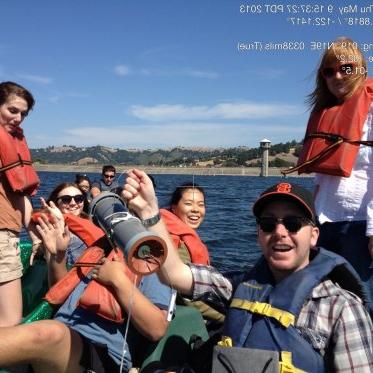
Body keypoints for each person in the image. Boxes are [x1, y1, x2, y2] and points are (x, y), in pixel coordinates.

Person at [122, 169, 373, 372]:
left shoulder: (342, 308)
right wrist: (148, 212)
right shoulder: (238, 287)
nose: (280, 232)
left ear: (314, 235)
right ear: (258, 235)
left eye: (294, 223)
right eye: (267, 224)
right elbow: (174, 274)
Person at [0, 186, 173, 372]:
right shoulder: (97, 249)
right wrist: (58, 255)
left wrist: (118, 280)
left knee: (50, 334)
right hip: (62, 341)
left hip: (100, 355)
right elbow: (61, 296)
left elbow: (157, 328)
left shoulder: (151, 260)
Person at [291, 37, 373, 313]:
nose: (337, 75)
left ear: (360, 69)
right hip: (326, 221)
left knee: (361, 300)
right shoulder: (325, 113)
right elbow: (322, 178)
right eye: (329, 70)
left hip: (359, 224)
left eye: (345, 68)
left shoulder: (370, 111)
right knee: (323, 297)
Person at [0, 81, 40, 326]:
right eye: (12, 110)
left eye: (23, 114)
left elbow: (19, 195)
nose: (18, 119)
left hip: (9, 234)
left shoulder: (11, 144)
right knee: (10, 320)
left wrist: (34, 234)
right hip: (1, 236)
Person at [161, 182, 210, 265]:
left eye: (201, 205)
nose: (196, 209)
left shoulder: (161, 226)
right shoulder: (173, 241)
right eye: (188, 203)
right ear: (174, 207)